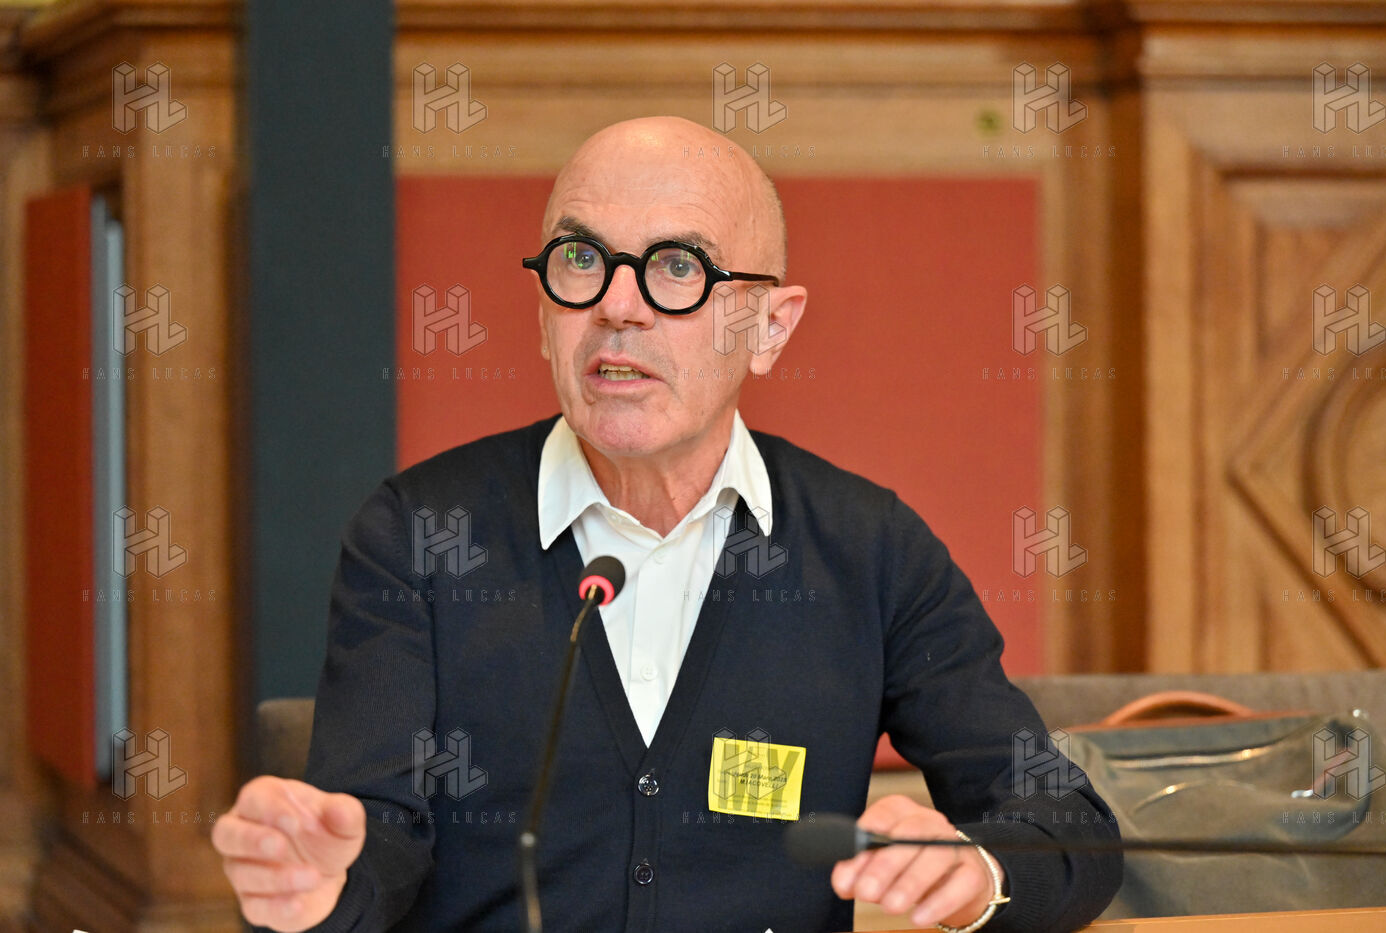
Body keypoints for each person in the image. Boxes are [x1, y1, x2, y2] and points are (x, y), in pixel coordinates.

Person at [213, 115, 1122, 932]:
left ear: (770, 327)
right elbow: (369, 842)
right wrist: (317, 892)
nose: (617, 305)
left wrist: (977, 875)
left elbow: (1065, 822)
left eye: (678, 266)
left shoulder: (870, 550)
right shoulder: (420, 532)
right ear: (542, 309)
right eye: (581, 259)